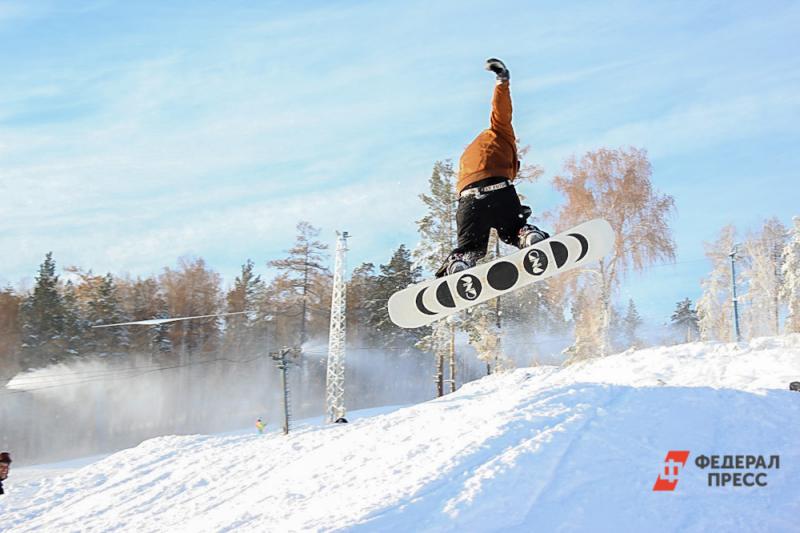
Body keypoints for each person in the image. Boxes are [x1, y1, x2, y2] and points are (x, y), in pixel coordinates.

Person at [437, 58, 549, 277]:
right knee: (512, 230)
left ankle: (460, 262)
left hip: (467, 198)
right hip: (500, 190)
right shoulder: (500, 132)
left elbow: (467, 197)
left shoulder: (465, 158)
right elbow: (501, 110)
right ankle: (526, 234)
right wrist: (502, 81)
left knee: (471, 247)